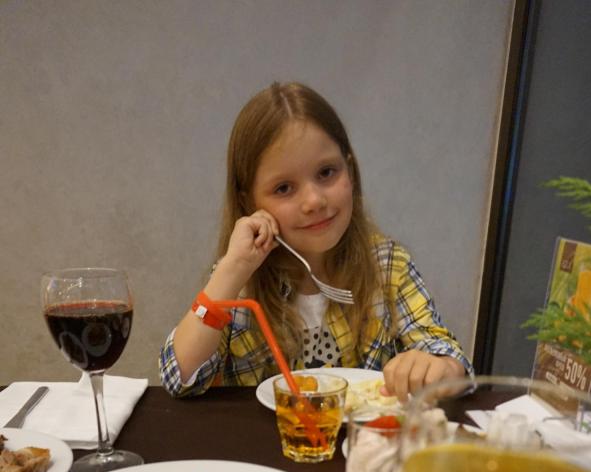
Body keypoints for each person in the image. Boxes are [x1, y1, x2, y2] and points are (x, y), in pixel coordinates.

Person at [159, 82, 473, 401]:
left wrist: (439, 366)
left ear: (350, 170)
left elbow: (448, 359)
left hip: (366, 431)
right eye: (284, 188)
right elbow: (179, 377)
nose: (314, 201)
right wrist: (233, 269)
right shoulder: (239, 279)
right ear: (248, 202)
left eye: (326, 173)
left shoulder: (388, 265)